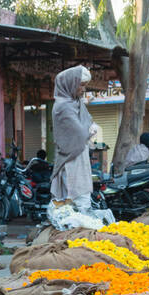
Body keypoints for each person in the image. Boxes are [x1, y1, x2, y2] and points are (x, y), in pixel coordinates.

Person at [50, 65, 100, 210]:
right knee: (75, 201)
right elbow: (81, 133)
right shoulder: (63, 107)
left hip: (80, 156)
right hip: (71, 160)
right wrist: (90, 130)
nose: (83, 90)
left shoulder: (76, 103)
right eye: (81, 85)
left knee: (82, 199)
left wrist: (91, 129)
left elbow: (90, 124)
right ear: (71, 84)